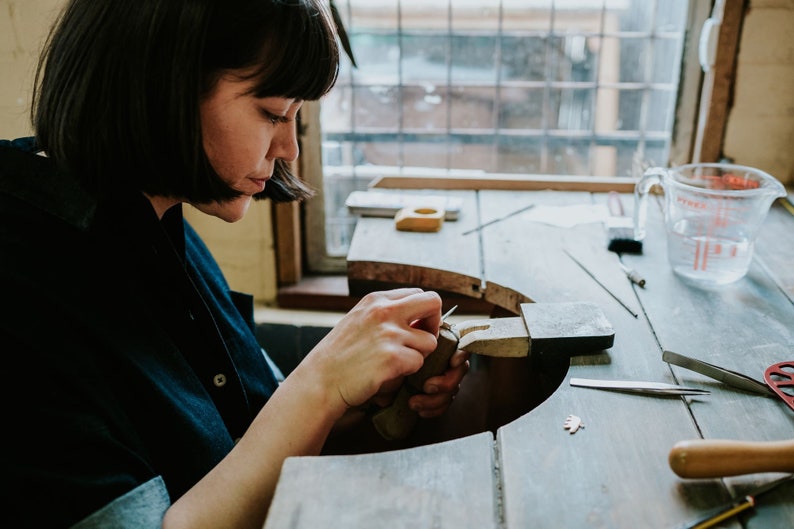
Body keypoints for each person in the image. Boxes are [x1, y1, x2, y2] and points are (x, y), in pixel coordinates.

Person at [0, 1, 469, 527]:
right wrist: (319, 384)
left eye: (296, 116)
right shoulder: (19, 292)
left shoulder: (159, 218)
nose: (289, 147)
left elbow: (244, 443)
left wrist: (361, 398)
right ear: (163, 87)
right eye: (272, 113)